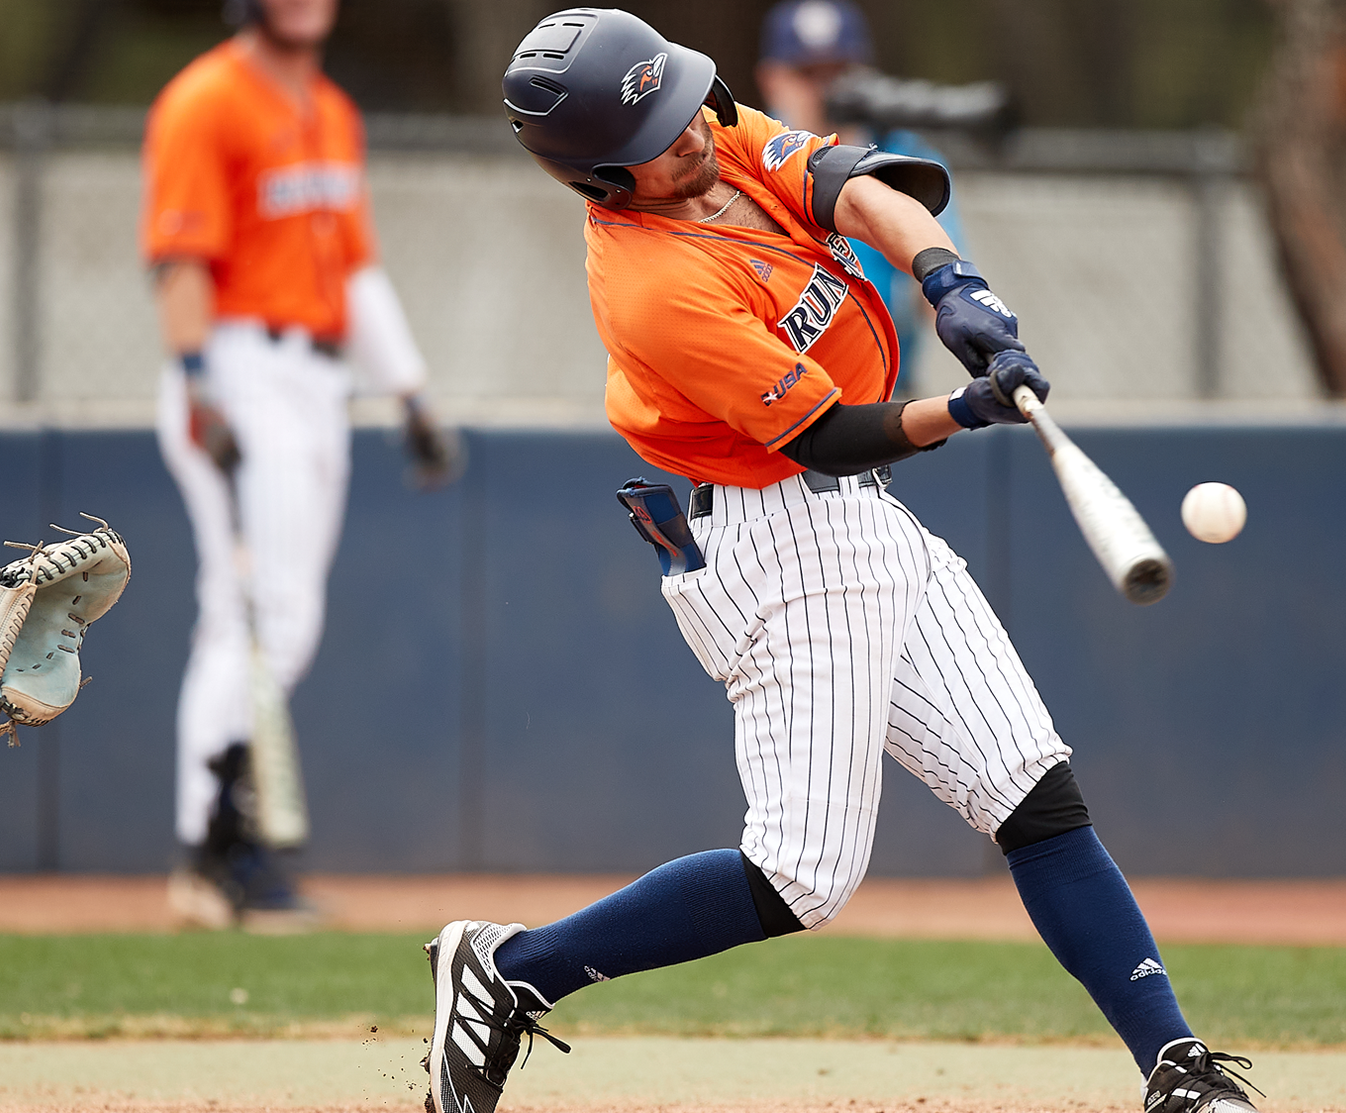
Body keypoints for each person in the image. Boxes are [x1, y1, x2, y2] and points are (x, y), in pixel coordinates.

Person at [423, 11, 1263, 1113]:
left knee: (1032, 792)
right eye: (659, 138)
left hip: (861, 525)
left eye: (685, 107)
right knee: (799, 875)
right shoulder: (653, 287)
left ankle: (1177, 1068)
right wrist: (962, 408)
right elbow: (824, 435)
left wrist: (952, 281)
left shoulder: (704, 133)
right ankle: (509, 971)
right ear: (601, 180)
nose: (693, 138)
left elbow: (860, 183)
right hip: (777, 538)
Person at [144, 0, 455, 930]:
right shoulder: (205, 99)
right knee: (255, 614)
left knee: (281, 618)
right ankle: (214, 849)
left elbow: (354, 268)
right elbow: (179, 258)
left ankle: (221, 846)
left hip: (318, 381)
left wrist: (408, 390)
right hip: (239, 364)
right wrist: (201, 383)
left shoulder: (331, 110)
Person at [754, 0, 969, 395]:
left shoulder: (908, 161)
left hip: (883, 394)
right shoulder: (743, 159)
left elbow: (940, 284)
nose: (828, 88)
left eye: (840, 71)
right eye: (808, 74)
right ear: (772, 80)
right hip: (770, 396)